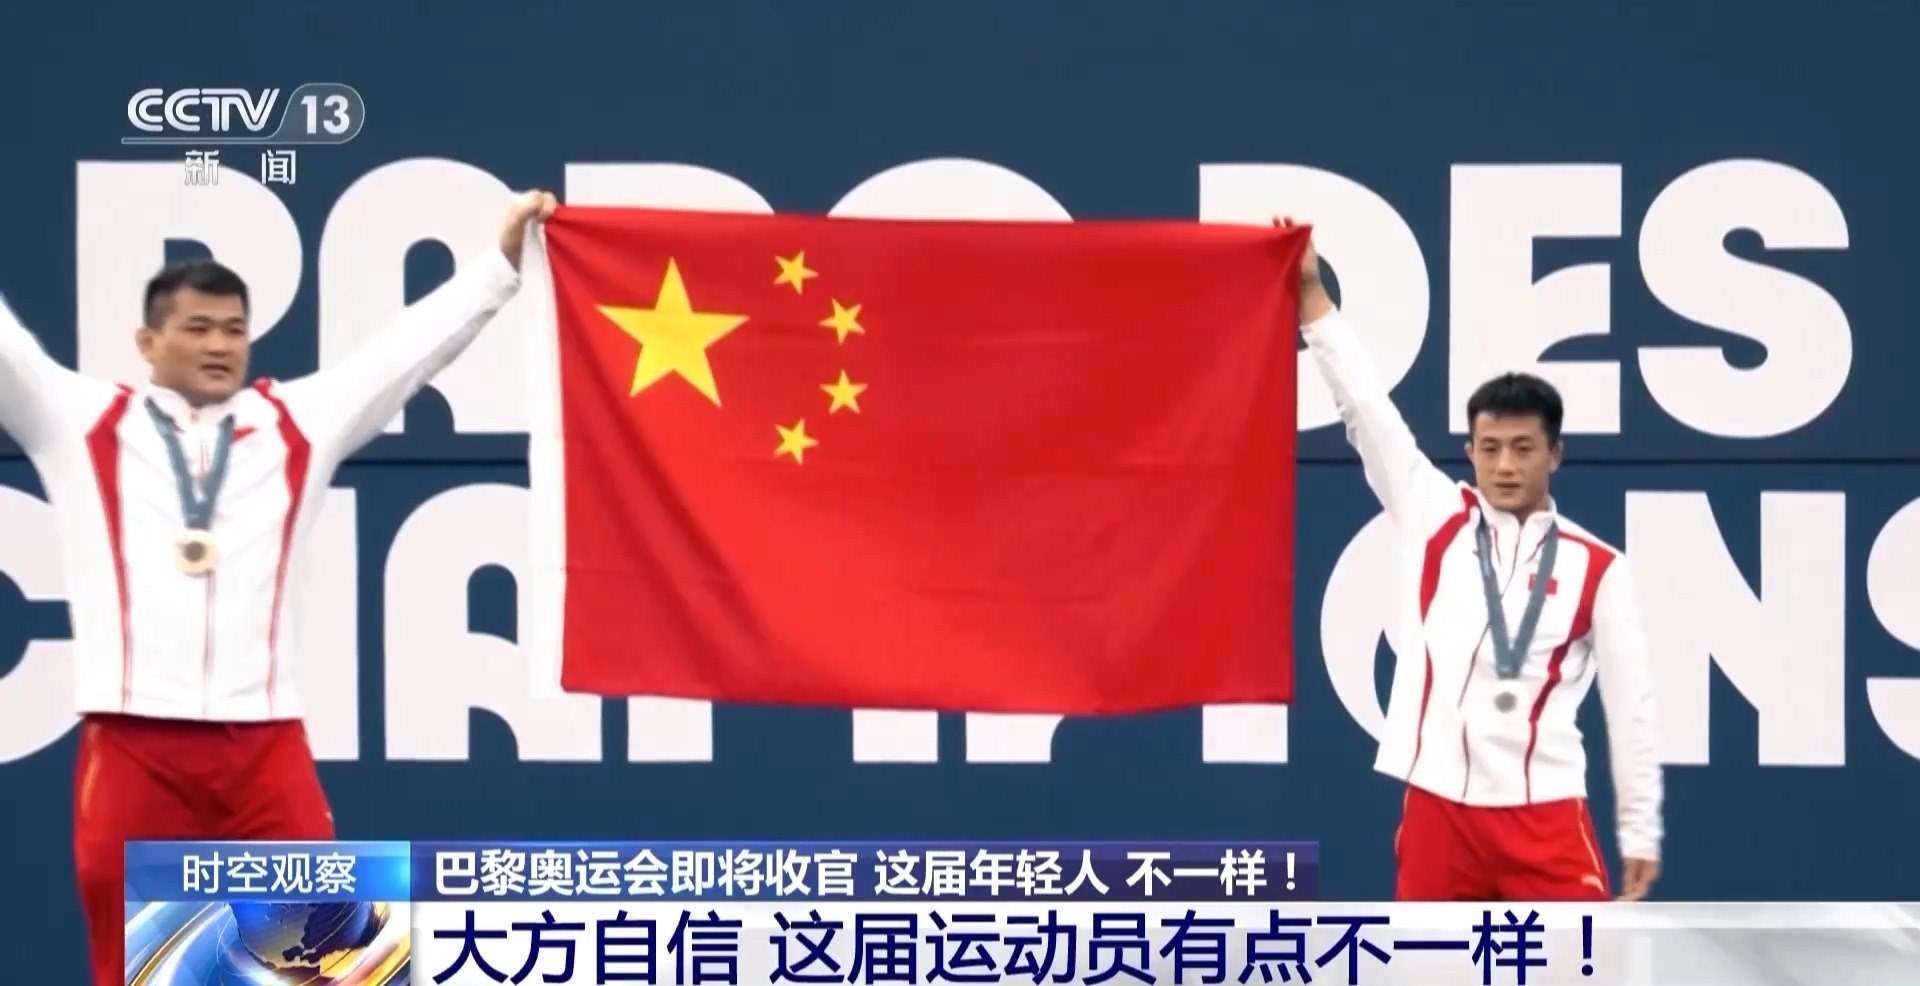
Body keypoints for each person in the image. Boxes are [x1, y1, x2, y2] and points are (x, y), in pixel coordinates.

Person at [0, 190, 557, 985]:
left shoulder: (296, 421)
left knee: (329, 959)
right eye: (197, 327)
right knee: (135, 968)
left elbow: (404, 354)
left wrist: (499, 265)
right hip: (133, 749)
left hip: (263, 754)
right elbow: (9, 351)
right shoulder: (79, 421)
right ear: (147, 342)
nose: (219, 344)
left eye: (234, 329)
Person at [1281, 217, 1664, 901]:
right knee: (1428, 960)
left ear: (1555, 454)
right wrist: (1312, 295)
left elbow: (1629, 702)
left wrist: (1639, 828)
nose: (1505, 465)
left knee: (1583, 960)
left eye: (1523, 448)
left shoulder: (1598, 567)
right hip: (1439, 812)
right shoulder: (1434, 513)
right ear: (1471, 453)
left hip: (1545, 814)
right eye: (1490, 449)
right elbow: (1365, 408)